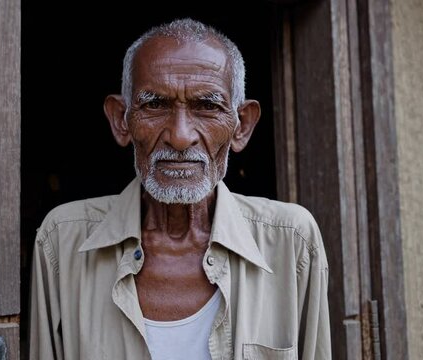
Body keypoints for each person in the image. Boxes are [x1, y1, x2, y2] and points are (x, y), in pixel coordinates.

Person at [29, 18, 330, 360]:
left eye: (207, 106)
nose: (180, 135)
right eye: (155, 105)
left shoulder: (291, 241)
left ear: (241, 126)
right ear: (121, 120)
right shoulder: (64, 242)